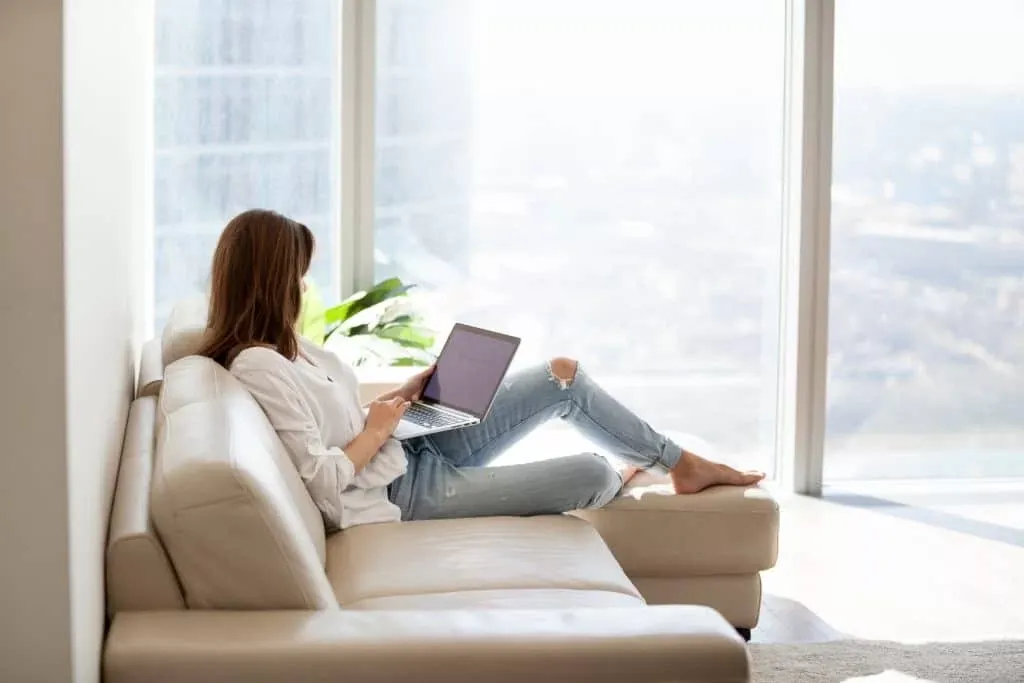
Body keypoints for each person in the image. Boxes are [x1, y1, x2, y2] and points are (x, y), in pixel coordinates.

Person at [199, 209, 764, 531]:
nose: (304, 286)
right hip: (404, 492)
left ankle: (680, 464)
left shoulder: (293, 348)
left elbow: (336, 424)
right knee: (595, 474)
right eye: (298, 275)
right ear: (272, 281)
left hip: (406, 448)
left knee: (559, 373)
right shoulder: (256, 367)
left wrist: (402, 398)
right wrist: (376, 431)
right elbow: (320, 482)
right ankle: (642, 470)